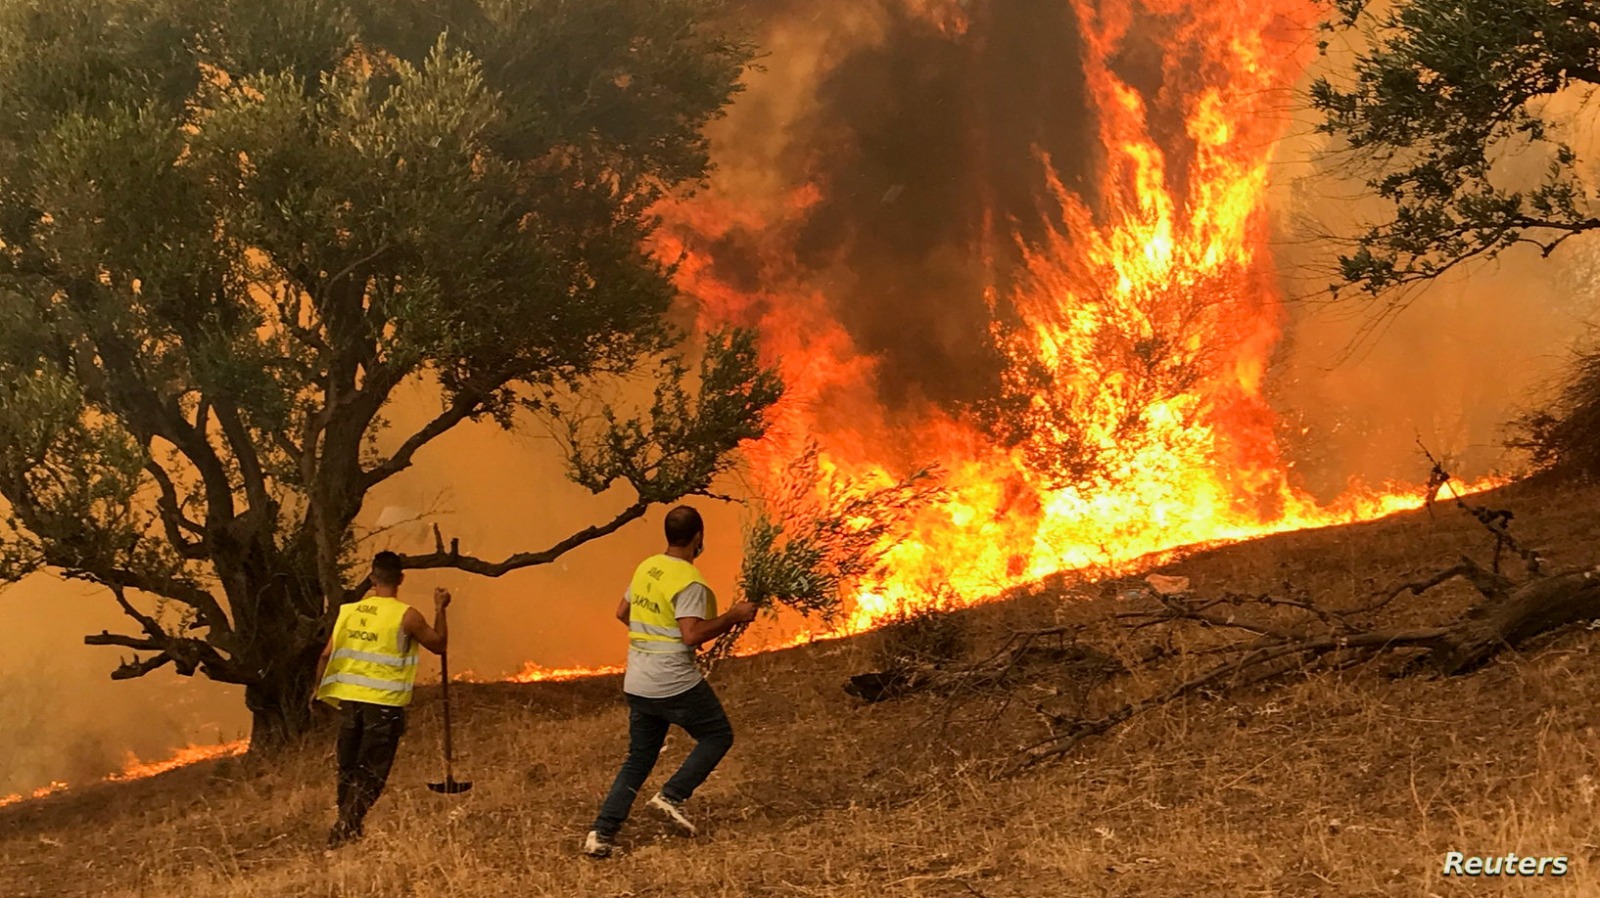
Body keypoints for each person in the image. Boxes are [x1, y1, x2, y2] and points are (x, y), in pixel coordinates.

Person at [583, 505, 758, 858]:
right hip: (672, 679)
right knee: (717, 734)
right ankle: (672, 796)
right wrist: (734, 615)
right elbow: (692, 635)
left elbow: (622, 613)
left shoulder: (648, 566)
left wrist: (652, 637)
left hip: (638, 679)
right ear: (698, 537)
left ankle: (601, 834)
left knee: (639, 758)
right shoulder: (689, 581)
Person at [312, 550, 450, 849]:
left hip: (350, 703)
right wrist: (440, 608)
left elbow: (325, 655)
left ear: (372, 578)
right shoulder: (407, 616)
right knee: (372, 771)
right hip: (384, 705)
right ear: (400, 578)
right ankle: (345, 829)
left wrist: (318, 692)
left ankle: (347, 824)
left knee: (348, 767)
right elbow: (438, 645)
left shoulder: (349, 612)